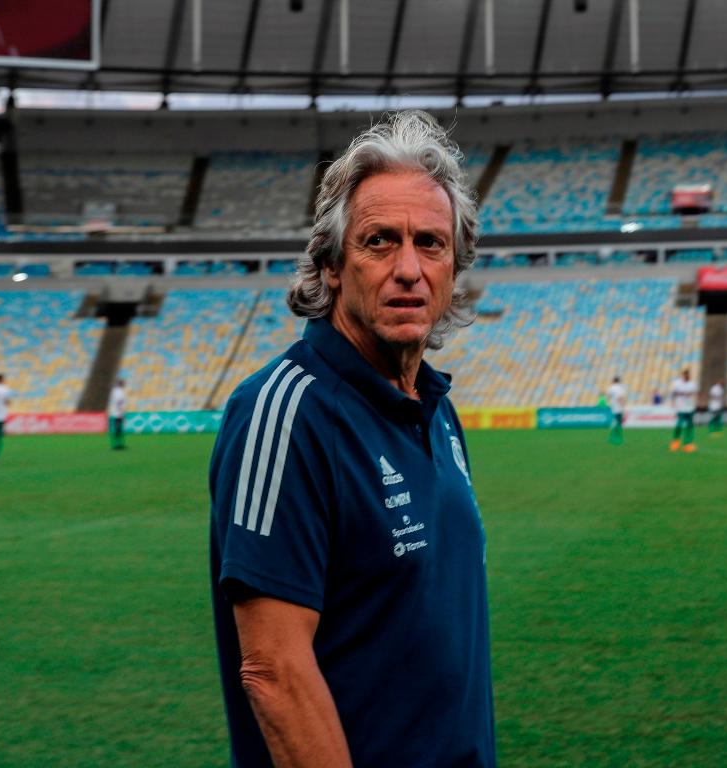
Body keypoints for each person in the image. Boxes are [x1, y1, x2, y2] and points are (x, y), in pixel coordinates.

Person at [208, 111, 495, 768]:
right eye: (379, 242)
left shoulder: (438, 412)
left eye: (430, 243)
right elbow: (273, 673)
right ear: (332, 264)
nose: (408, 268)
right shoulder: (285, 413)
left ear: (454, 266)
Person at [670, 368, 698, 453]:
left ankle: (688, 444)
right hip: (680, 407)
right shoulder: (677, 383)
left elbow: (694, 393)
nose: (687, 376)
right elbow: (673, 393)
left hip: (690, 407)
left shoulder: (692, 384)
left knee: (689, 426)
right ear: (683, 375)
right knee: (679, 425)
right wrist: (673, 403)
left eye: (688, 374)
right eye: (686, 374)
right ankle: (675, 441)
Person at [605, 375, 627, 445]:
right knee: (619, 422)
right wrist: (623, 406)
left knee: (616, 422)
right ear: (619, 381)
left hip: (613, 407)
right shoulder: (620, 388)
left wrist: (611, 402)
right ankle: (616, 437)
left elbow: (607, 397)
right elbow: (620, 397)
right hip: (618, 407)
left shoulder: (611, 388)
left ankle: (612, 436)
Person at [108, 378, 127, 450]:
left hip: (113, 412)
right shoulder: (120, 392)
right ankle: (118, 445)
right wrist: (122, 412)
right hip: (118, 413)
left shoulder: (114, 391)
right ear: (121, 384)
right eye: (124, 383)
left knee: (116, 429)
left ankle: (116, 444)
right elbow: (119, 403)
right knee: (118, 429)